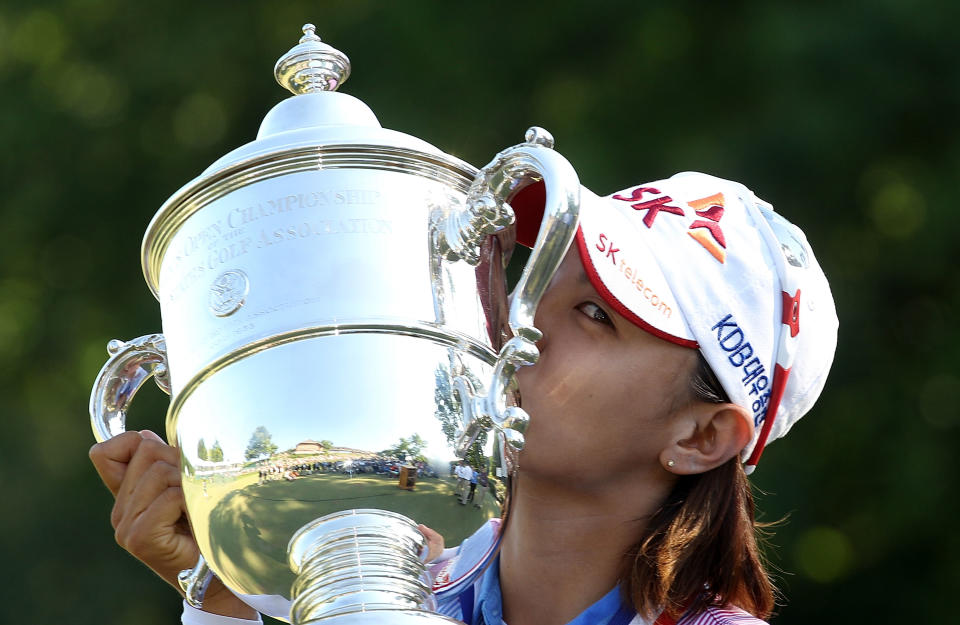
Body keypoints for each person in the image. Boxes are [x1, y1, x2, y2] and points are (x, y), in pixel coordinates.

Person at [89, 172, 837, 625]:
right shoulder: (386, 569)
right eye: (542, 276)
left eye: (596, 315)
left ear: (702, 436)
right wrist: (222, 597)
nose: (522, 315)